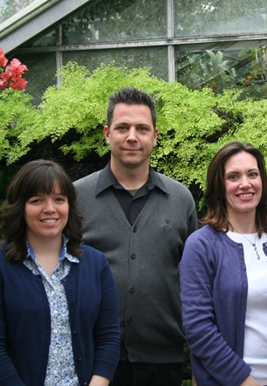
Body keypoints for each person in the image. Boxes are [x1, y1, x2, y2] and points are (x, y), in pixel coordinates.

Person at [74, 87, 198, 386]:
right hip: (92, 358)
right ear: (107, 133)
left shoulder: (180, 200)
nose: (132, 136)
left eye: (141, 128)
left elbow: (195, 283)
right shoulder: (76, 198)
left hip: (163, 360)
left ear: (155, 136)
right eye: (122, 128)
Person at [0, 160, 120, 386]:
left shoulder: (95, 264)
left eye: (59, 199)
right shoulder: (3, 267)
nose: (50, 209)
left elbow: (108, 337)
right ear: (20, 207)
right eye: (37, 200)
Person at [180, 141, 267, 386]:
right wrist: (245, 382)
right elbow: (198, 328)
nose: (245, 184)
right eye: (233, 176)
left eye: (253, 174)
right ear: (220, 186)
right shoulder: (202, 246)